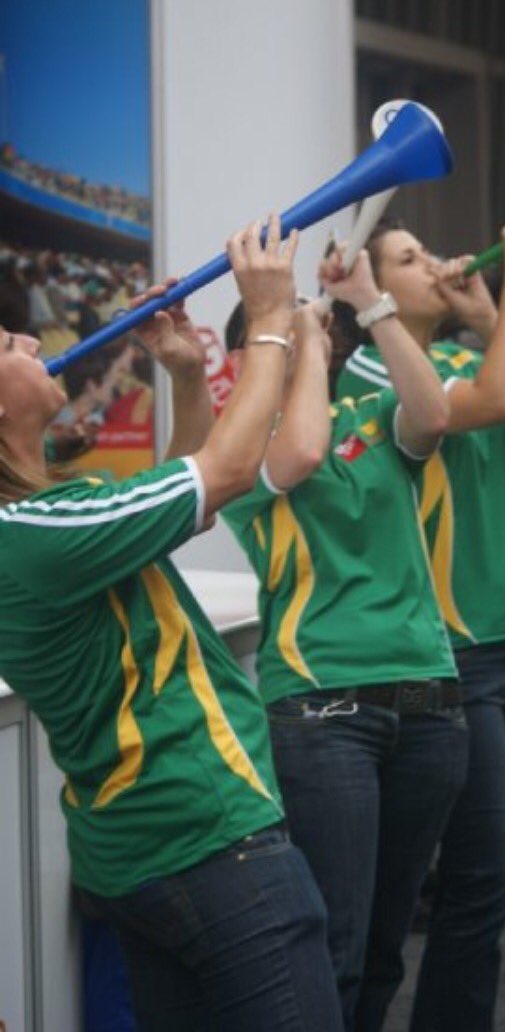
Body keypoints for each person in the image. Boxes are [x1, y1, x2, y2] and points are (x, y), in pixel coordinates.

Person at [0, 215, 343, 1031]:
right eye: (4, 344)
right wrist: (267, 322)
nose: (23, 336)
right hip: (207, 842)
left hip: (153, 853)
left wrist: (189, 376)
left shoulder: (46, 518)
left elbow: (176, 506)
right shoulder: (34, 535)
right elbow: (224, 474)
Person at [334, 210, 505, 1031]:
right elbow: (499, 398)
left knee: (480, 880)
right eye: (410, 257)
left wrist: (483, 314)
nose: (435, 260)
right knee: (485, 877)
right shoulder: (370, 377)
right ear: (372, 291)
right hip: (458, 655)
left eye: (428, 248)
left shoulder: (469, 352)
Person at [221, 245, 468, 1032]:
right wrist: (303, 341)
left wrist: (373, 301)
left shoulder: (372, 418)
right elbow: (303, 452)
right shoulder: (242, 451)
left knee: (389, 946)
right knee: (337, 944)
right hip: (325, 715)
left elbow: (433, 414)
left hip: (430, 706)